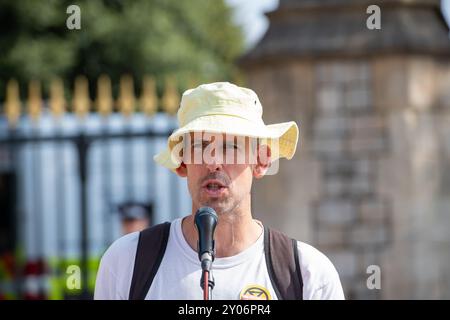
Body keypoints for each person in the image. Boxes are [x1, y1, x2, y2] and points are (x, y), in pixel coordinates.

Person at [94, 82, 345, 300]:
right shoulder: (127, 261)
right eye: (201, 145)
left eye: (231, 145)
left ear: (261, 161)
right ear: (182, 163)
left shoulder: (307, 272)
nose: (213, 161)